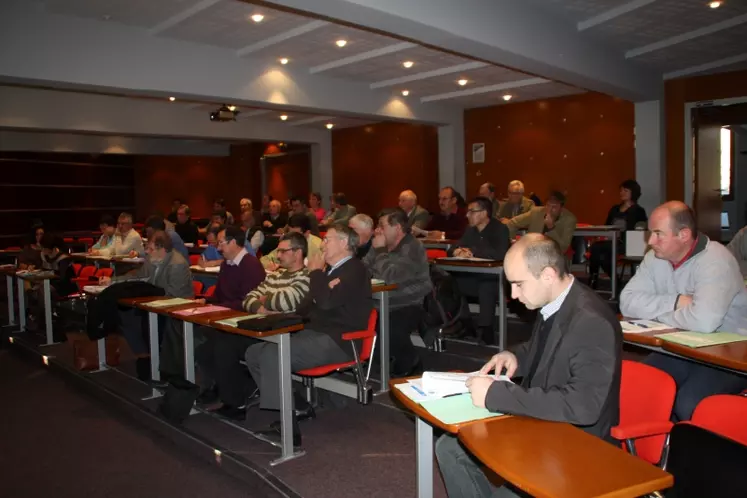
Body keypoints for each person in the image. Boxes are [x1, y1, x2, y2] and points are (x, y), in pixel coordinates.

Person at [436, 234, 622, 498]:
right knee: (450, 447)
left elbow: (584, 406)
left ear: (547, 275)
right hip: (543, 422)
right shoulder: (556, 302)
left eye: (518, 285)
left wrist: (495, 394)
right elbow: (545, 349)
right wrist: (515, 356)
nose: (513, 295)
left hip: (576, 441)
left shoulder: (591, 321)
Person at [244, 224, 372, 445]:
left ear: (343, 243)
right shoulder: (329, 272)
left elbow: (326, 301)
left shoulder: (355, 269)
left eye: (327, 239)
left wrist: (315, 274)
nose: (322, 244)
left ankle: (288, 429)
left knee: (272, 355)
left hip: (339, 341)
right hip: (314, 334)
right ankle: (298, 407)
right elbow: (306, 307)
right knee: (254, 353)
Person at [620, 201, 747, 421]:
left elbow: (704, 322)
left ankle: (690, 452)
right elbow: (627, 302)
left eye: (659, 234)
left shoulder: (716, 261)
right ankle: (647, 447)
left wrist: (655, 310)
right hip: (683, 347)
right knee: (638, 387)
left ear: (684, 235)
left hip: (729, 356)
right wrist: (677, 301)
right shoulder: (656, 257)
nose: (651, 241)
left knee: (689, 402)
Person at [197, 232, 310, 419]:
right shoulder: (276, 276)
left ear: (298, 253)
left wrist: (266, 300)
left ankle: (236, 404)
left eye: (283, 251)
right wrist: (263, 308)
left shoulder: (306, 277)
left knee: (225, 346)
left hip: (280, 334)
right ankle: (231, 392)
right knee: (208, 345)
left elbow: (287, 302)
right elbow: (249, 298)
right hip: (261, 327)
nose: (278, 255)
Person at [101, 231, 193, 380]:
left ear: (161, 249)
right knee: (123, 315)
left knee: (144, 321)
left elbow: (175, 296)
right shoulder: (153, 259)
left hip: (176, 309)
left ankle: (160, 363)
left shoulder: (177, 264)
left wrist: (148, 299)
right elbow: (137, 276)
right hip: (153, 304)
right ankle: (145, 355)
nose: (146, 252)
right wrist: (113, 280)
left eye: (150, 249)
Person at [364, 208, 432, 376]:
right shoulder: (379, 244)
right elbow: (362, 268)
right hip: (379, 300)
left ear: (398, 228)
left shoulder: (412, 247)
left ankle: (411, 361)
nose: (377, 230)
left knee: (389, 327)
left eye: (382, 226)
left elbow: (392, 278)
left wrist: (380, 252)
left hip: (408, 303)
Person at [450, 197, 510, 344]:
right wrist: (458, 252)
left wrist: (473, 251)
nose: (467, 215)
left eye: (472, 211)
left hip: (497, 279)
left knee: (486, 284)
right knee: (450, 282)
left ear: (484, 213)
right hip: (473, 276)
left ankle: (486, 327)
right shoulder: (470, 231)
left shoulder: (500, 229)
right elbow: (455, 247)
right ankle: (464, 323)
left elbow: (500, 253)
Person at [588, 180, 648, 289]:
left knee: (597, 249)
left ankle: (594, 279)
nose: (622, 193)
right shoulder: (615, 209)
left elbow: (639, 230)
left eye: (625, 190)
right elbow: (606, 226)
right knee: (600, 253)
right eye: (621, 190)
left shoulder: (638, 211)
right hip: (611, 240)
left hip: (626, 243)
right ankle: (614, 281)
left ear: (633, 193)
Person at [506, 191, 577, 253]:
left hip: (554, 256)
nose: (549, 209)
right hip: (532, 252)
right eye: (548, 205)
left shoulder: (570, 220)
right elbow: (512, 223)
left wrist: (551, 228)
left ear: (561, 208)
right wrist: (513, 243)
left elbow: (563, 248)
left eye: (554, 207)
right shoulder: (536, 212)